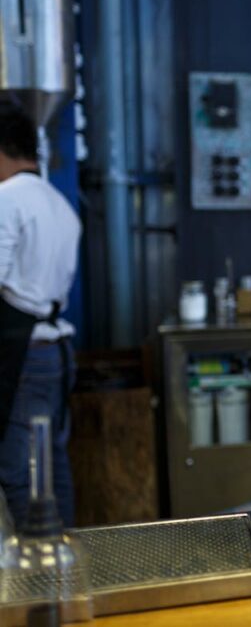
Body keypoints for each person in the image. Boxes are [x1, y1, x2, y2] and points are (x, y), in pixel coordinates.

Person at [0, 102, 81, 529]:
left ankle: (39, 585)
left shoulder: (6, 199)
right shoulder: (61, 205)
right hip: (56, 352)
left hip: (23, 358)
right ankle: (62, 573)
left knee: (20, 474)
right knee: (53, 469)